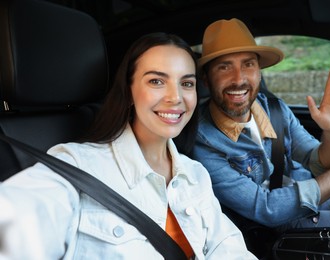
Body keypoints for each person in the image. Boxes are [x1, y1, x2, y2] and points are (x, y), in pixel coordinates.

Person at [0, 32, 256, 260]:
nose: (176, 97)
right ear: (129, 91)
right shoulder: (76, 168)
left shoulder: (195, 174)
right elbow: (16, 220)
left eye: (186, 83)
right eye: (156, 81)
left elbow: (229, 248)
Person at [192, 18, 330, 233]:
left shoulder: (274, 109)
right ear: (206, 79)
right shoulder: (203, 143)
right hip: (274, 224)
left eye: (248, 64)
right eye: (224, 67)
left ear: (259, 71)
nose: (239, 79)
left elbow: (317, 162)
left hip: (310, 188)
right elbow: (266, 209)